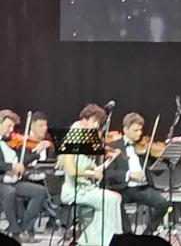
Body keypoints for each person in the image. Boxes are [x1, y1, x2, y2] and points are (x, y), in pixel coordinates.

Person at [59, 104, 123, 246]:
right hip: (74, 191)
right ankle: (97, 241)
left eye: (98, 123)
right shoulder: (71, 142)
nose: (96, 127)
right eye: (94, 122)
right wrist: (92, 173)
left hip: (87, 189)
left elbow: (91, 171)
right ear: (84, 120)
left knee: (116, 198)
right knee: (110, 200)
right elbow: (72, 171)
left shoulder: (87, 147)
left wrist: (106, 163)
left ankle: (106, 240)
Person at [103, 112, 171, 235]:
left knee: (164, 204)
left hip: (141, 188)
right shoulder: (112, 146)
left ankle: (147, 234)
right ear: (125, 129)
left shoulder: (143, 147)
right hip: (122, 189)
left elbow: (157, 167)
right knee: (116, 202)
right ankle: (128, 235)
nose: (139, 133)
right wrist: (129, 174)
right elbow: (108, 172)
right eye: (136, 130)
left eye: (140, 130)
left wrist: (168, 159)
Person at [0, 110, 46, 243]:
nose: (11, 130)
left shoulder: (9, 143)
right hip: (2, 179)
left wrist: (36, 153)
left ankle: (24, 228)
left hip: (13, 180)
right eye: (8, 126)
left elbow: (21, 161)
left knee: (40, 191)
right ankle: (15, 231)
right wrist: (12, 167)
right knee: (10, 192)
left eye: (12, 127)